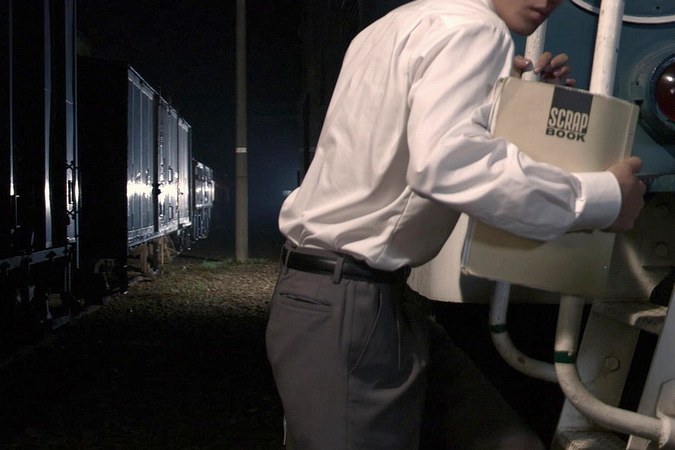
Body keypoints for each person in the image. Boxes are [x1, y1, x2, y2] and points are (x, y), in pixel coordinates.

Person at [265, 0, 647, 449]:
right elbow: (445, 164)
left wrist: (516, 105)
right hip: (354, 303)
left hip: (352, 295)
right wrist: (603, 199)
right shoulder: (476, 29)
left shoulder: (397, 23)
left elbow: (409, 143)